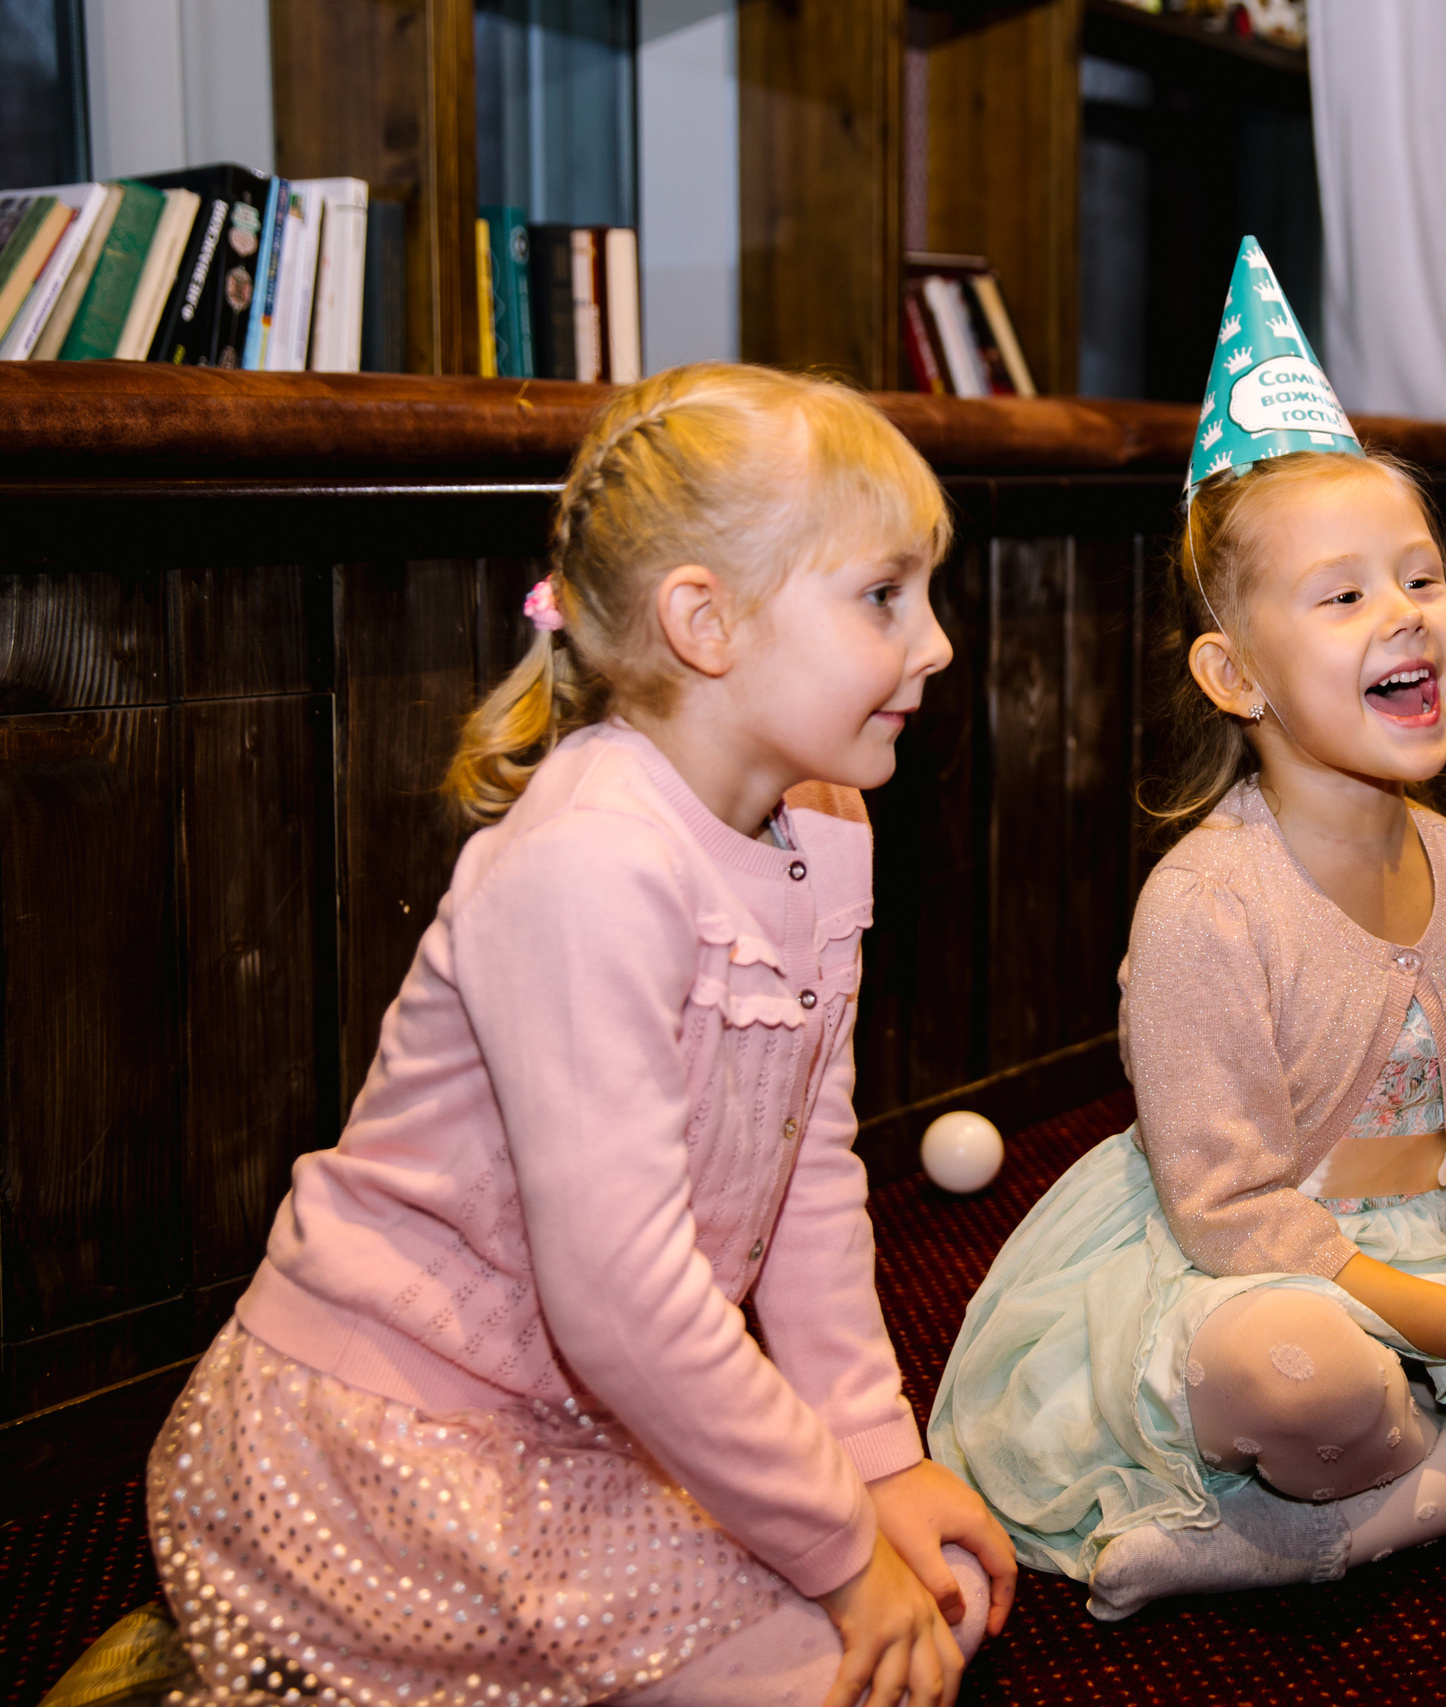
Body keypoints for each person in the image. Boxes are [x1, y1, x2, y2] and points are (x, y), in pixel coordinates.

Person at [147, 364, 1015, 1707]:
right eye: (884, 595)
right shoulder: (588, 860)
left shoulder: (830, 819)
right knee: (858, 1661)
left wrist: (874, 1455)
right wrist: (842, 1550)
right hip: (392, 1437)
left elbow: (813, 1171)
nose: (936, 641)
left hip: (600, 1411)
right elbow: (618, 1298)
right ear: (705, 621)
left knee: (933, 1618)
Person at [927, 239, 1446, 1621]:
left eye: (1420, 575)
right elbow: (1230, 1212)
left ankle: (1314, 1531)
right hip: (1263, 1266)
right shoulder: (1207, 903)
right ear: (1236, 672)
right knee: (1302, 1370)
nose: (1404, 612)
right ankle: (1443, 1470)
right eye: (1342, 593)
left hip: (1443, 1251)